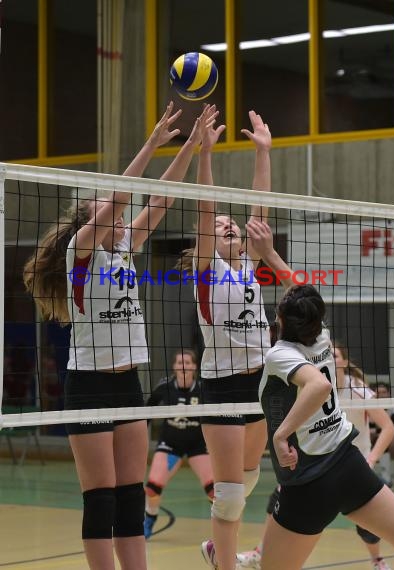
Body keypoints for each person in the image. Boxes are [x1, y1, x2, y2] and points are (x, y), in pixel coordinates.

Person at [23, 102, 218, 570]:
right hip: (88, 385)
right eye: (104, 208)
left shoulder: (126, 245)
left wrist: (190, 147)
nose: (115, 212)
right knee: (102, 499)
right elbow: (123, 197)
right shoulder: (81, 251)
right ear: (92, 219)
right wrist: (151, 143)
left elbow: (162, 199)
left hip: (128, 384)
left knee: (131, 496)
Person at [244, 219, 394, 570]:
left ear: (279, 318)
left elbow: (318, 387)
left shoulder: (280, 355)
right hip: (348, 465)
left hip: (307, 481)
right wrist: (270, 253)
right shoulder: (321, 336)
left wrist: (280, 433)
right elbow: (302, 291)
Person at [180, 109, 272, 570]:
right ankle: (225, 563)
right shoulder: (206, 269)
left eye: (231, 224)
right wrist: (205, 154)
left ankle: (217, 545)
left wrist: (263, 153)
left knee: (249, 478)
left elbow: (260, 209)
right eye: (221, 228)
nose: (228, 225)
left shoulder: (252, 267)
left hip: (260, 384)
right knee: (232, 494)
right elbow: (205, 206)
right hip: (220, 384)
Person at [334, 342, 394, 570]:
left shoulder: (358, 389)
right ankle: (263, 552)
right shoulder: (317, 386)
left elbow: (388, 427)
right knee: (298, 511)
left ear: (344, 362)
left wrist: (370, 460)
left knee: (368, 527)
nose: (330, 359)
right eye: (326, 355)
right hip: (326, 464)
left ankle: (377, 560)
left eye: (334, 355)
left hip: (356, 465)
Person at [144, 349, 214, 539]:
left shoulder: (203, 389)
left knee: (214, 490)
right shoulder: (165, 387)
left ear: (195, 367)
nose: (184, 366)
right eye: (180, 363)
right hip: (170, 443)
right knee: (152, 487)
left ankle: (220, 526)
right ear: (174, 367)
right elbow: (146, 413)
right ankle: (149, 519)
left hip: (198, 445)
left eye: (188, 363)